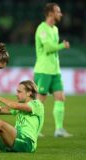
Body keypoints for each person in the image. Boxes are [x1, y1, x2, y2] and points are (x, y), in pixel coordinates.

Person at [34, 3, 72, 137]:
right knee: (40, 101)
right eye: (58, 11)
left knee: (60, 97)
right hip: (44, 70)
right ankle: (35, 130)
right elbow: (49, 48)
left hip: (55, 70)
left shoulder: (55, 29)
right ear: (51, 13)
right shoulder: (42, 29)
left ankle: (59, 130)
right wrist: (62, 45)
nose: (60, 14)